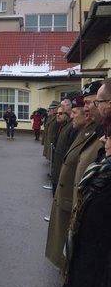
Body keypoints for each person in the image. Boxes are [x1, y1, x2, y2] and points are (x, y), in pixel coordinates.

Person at [61, 132, 111, 287]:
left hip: (95, 268)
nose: (103, 139)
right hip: (85, 256)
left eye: (109, 136)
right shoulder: (102, 170)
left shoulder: (104, 177)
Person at [45, 95, 89, 270]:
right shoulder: (68, 126)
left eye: (69, 110)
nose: (67, 114)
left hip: (71, 191)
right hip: (61, 176)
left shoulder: (80, 130)